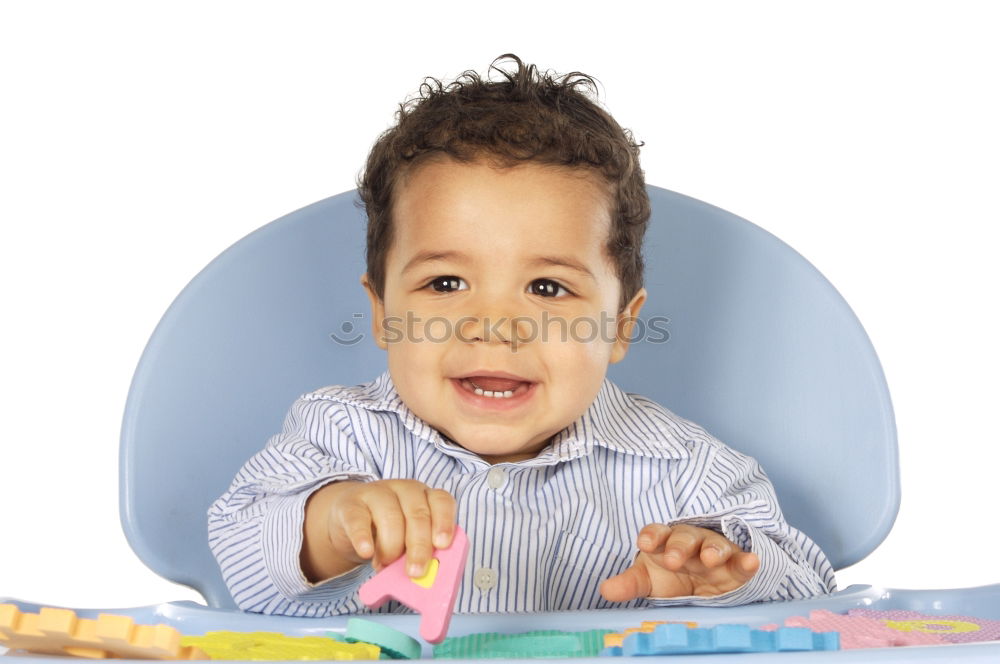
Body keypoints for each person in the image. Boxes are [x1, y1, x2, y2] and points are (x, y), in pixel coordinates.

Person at [207, 54, 836, 616]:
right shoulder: (336, 434)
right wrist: (337, 525)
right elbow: (243, 558)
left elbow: (812, 592)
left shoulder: (683, 470)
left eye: (548, 289)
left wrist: (723, 577)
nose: (496, 328)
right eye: (447, 284)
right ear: (382, 313)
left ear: (619, 326)